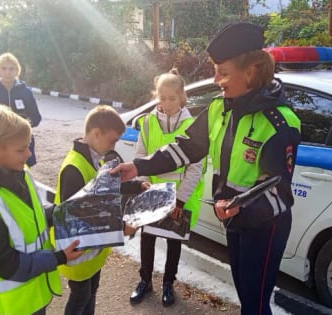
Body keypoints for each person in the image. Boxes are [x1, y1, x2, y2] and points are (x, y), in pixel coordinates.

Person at [111, 22, 301, 315]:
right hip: (234, 219)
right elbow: (185, 148)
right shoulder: (219, 108)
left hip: (264, 226)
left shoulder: (279, 123)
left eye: (223, 72)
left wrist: (242, 208)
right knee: (246, 298)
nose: (216, 79)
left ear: (250, 71)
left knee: (256, 303)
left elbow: (279, 192)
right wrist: (138, 166)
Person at [0, 104, 83, 315]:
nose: (29, 153)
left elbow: (35, 217)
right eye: (21, 149)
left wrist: (67, 212)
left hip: (32, 299)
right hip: (5, 308)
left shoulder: (20, 173)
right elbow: (8, 264)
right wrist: (58, 258)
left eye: (29, 145)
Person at [54, 105, 148, 315]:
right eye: (112, 140)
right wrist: (122, 227)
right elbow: (78, 217)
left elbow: (107, 188)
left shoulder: (96, 158)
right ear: (96, 133)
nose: (113, 145)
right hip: (78, 253)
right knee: (80, 298)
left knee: (91, 293)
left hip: (93, 253)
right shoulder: (74, 168)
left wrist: (136, 185)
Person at [129, 69, 204, 307]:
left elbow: (195, 168)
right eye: (162, 98)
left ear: (182, 97)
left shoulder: (193, 126)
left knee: (173, 241)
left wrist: (180, 200)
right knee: (147, 238)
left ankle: (168, 283)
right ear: (156, 97)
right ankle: (145, 280)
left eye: (172, 98)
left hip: (178, 196)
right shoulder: (148, 123)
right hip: (152, 191)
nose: (167, 103)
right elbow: (140, 156)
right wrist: (146, 183)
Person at [0, 52, 42, 167]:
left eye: (11, 69)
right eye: (4, 68)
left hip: (21, 145)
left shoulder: (26, 92)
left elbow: (36, 117)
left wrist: (19, 127)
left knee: (21, 179)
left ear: (17, 70)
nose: (7, 72)